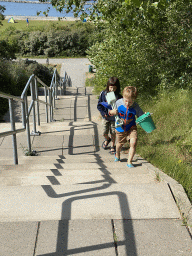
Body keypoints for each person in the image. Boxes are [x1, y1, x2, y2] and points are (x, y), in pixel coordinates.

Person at [109, 86, 144, 167]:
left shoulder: (136, 106)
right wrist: (112, 112)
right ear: (123, 97)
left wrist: (145, 116)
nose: (127, 104)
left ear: (134, 100)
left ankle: (129, 161)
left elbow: (141, 116)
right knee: (119, 144)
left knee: (133, 142)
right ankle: (117, 154)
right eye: (126, 101)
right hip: (120, 128)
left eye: (130, 102)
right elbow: (110, 112)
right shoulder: (118, 103)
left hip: (131, 127)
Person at [97, 77, 122, 153]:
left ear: (117, 88)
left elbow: (121, 107)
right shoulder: (103, 94)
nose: (112, 89)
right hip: (106, 117)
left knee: (113, 132)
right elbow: (99, 105)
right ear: (108, 86)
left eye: (114, 88)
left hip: (114, 118)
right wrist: (103, 113)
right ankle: (107, 139)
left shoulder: (119, 97)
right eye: (111, 87)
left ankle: (112, 145)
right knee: (104, 132)